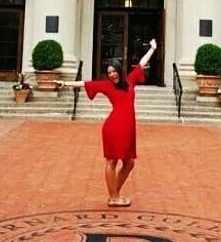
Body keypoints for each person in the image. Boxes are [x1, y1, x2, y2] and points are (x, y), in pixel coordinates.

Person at [56, 38, 157, 207]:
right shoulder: (107, 85)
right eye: (109, 72)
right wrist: (65, 83)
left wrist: (153, 48)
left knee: (129, 163)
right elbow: (85, 83)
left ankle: (114, 193)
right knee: (112, 160)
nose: (111, 74)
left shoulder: (130, 81)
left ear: (119, 70)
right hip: (114, 127)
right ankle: (114, 197)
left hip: (129, 128)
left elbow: (142, 63)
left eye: (114, 71)